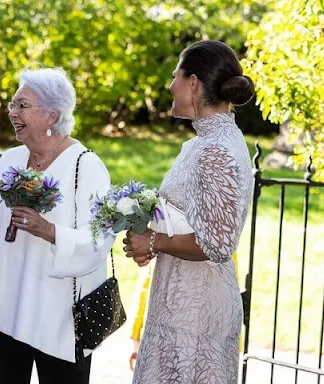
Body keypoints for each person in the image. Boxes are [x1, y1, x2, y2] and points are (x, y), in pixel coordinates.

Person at [0, 67, 115, 384]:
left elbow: (100, 238)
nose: (12, 112)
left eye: (22, 106)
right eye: (13, 105)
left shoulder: (86, 166)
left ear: (52, 115)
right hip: (9, 315)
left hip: (60, 321)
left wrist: (49, 231)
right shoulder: (11, 160)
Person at [123, 40, 255, 383]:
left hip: (197, 312)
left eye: (175, 77)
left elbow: (218, 244)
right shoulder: (203, 142)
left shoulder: (216, 150)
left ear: (193, 83)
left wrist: (155, 242)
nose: (170, 86)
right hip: (180, 298)